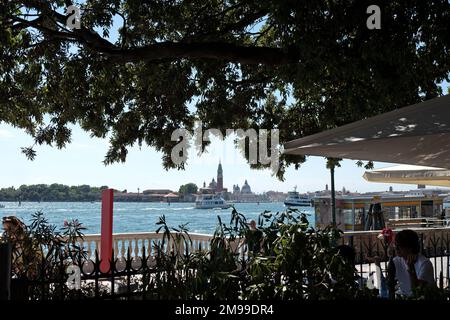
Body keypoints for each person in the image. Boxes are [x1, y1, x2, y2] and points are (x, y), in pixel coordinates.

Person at [391, 229, 435, 297]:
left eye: (399, 245)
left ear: (410, 247)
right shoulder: (396, 261)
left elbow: (417, 291)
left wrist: (411, 268)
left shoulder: (424, 264)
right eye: (395, 245)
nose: (396, 248)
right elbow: (389, 284)